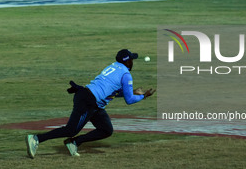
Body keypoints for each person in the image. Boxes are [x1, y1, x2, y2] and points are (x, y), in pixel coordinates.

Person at [25, 49, 156, 158]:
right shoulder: (126, 75)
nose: (133, 62)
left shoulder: (113, 66)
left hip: (91, 99)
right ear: (127, 61)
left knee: (106, 130)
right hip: (89, 101)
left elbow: (111, 91)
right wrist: (144, 95)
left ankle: (74, 142)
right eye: (132, 59)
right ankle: (36, 139)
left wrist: (132, 91)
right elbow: (129, 100)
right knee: (71, 129)